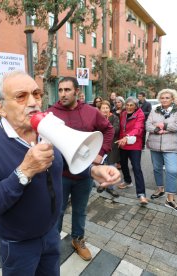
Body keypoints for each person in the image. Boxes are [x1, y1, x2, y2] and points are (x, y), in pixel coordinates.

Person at [0, 71, 120, 275]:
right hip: (18, 244)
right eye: (21, 96)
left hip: (51, 234)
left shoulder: (46, 130)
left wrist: (93, 170)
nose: (33, 102)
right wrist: (24, 171)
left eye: (36, 93)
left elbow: (65, 163)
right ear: (1, 108)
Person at [47, 76, 115, 261]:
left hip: (85, 174)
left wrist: (101, 153)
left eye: (67, 90)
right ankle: (52, 243)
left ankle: (77, 239)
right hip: (60, 174)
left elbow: (108, 130)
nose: (63, 94)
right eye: (60, 90)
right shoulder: (51, 113)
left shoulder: (91, 112)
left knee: (80, 210)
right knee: (57, 210)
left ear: (77, 91)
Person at [146, 89, 177, 213]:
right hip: (154, 145)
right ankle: (160, 189)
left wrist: (159, 125)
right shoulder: (154, 110)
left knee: (172, 170)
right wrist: (159, 129)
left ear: (172, 99)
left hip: (171, 146)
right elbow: (148, 125)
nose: (164, 100)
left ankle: (170, 198)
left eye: (167, 97)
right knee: (157, 169)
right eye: (162, 98)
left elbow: (176, 126)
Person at [116, 97, 147, 204]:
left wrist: (127, 137)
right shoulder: (123, 113)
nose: (129, 107)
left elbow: (138, 128)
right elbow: (121, 128)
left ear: (136, 106)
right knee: (123, 164)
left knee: (136, 168)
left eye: (131, 105)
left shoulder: (140, 114)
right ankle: (127, 181)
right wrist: (120, 140)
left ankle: (141, 194)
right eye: (127, 105)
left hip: (134, 144)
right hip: (123, 143)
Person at [97, 100, 120, 197]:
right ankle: (102, 184)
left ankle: (110, 188)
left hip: (112, 147)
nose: (105, 110)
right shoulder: (97, 118)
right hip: (100, 147)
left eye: (107, 108)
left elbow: (115, 130)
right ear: (100, 109)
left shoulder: (114, 117)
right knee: (102, 167)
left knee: (111, 167)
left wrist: (105, 124)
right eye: (103, 108)